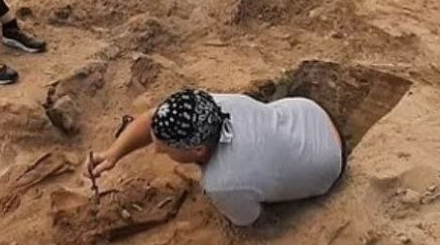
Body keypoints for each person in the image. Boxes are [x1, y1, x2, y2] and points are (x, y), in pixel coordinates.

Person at [87, 89, 346, 226]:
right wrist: (113, 154)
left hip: (328, 165)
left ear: (198, 150)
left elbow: (251, 219)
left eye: (166, 148)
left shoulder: (223, 183)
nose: (156, 151)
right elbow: (153, 118)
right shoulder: (212, 105)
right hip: (310, 115)